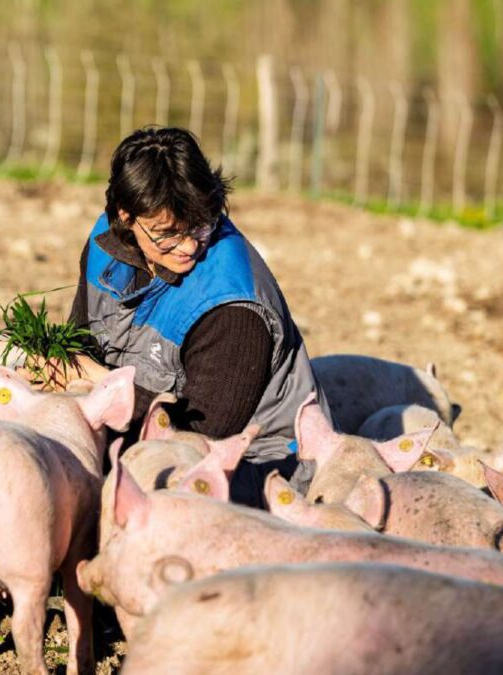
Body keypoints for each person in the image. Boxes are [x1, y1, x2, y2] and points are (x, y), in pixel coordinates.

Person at [58, 126, 330, 506]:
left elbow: (195, 440)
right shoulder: (106, 242)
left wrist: (96, 381)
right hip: (146, 429)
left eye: (202, 225)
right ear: (126, 216)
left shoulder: (234, 312)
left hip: (255, 466)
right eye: (166, 234)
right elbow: (79, 340)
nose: (188, 247)